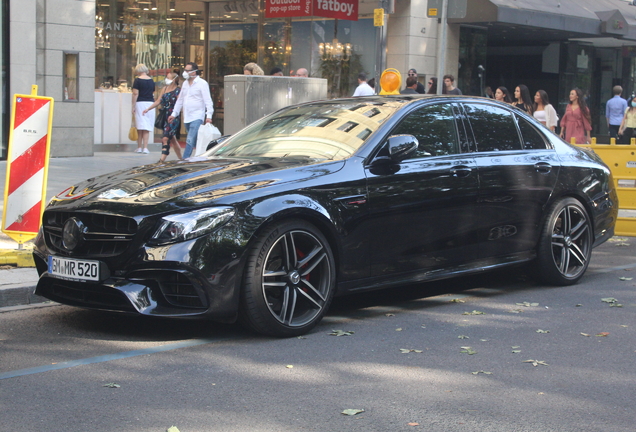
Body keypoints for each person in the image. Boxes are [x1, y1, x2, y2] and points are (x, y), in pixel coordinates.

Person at [167, 62, 214, 159]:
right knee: (194, 140)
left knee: (189, 139)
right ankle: (204, 155)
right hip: (187, 117)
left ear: (194, 72)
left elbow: (208, 101)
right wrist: (174, 113)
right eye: (185, 70)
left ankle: (184, 160)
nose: (185, 72)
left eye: (187, 70)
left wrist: (208, 116)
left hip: (197, 116)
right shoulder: (185, 84)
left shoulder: (202, 84)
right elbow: (180, 100)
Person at [143, 70, 183, 163]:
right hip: (165, 115)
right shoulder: (164, 89)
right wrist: (148, 108)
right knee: (172, 139)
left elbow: (180, 104)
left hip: (173, 116)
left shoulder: (178, 91)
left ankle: (161, 160)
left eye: (168, 78)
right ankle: (181, 158)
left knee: (165, 138)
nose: (166, 79)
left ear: (173, 80)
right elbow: (158, 101)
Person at [131, 63, 155, 154]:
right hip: (150, 104)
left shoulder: (137, 81)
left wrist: (133, 105)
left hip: (140, 103)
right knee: (147, 126)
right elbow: (152, 92)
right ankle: (145, 147)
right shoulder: (151, 81)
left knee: (140, 126)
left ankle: (139, 147)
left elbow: (135, 93)